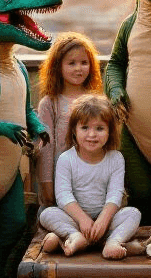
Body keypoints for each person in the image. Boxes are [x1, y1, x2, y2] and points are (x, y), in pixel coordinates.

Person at [38, 94, 141, 259]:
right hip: (76, 222)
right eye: (85, 128)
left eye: (99, 128)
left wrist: (103, 221)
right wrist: (83, 220)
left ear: (109, 131)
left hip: (106, 223)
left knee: (133, 214)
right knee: (47, 214)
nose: (92, 135)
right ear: (74, 130)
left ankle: (112, 242)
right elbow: (63, 196)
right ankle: (74, 236)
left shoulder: (115, 158)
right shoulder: (66, 159)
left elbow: (115, 194)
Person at [35, 32, 103, 208]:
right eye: (71, 63)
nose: (78, 68)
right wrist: (47, 185)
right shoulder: (50, 103)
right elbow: (46, 149)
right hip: (61, 184)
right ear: (58, 66)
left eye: (84, 63)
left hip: (92, 183)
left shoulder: (97, 102)